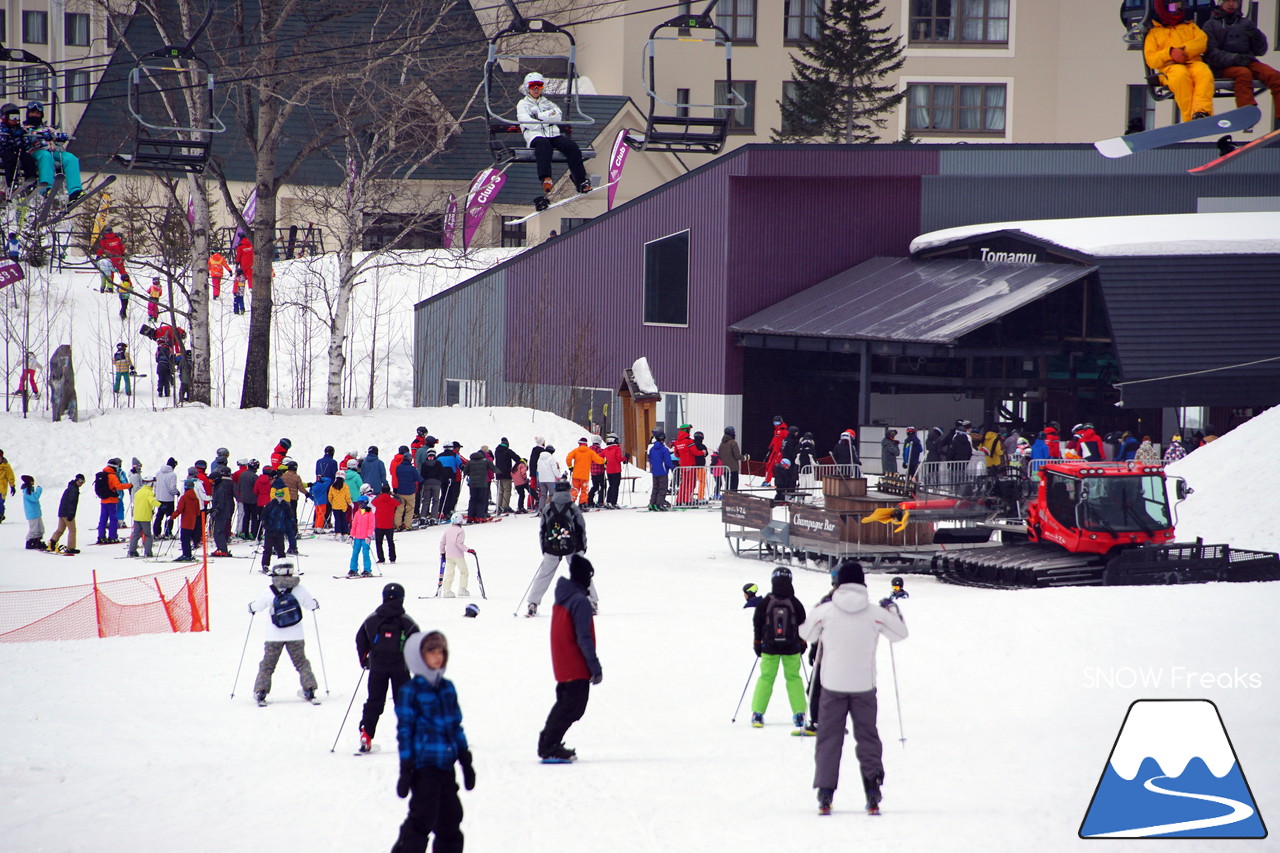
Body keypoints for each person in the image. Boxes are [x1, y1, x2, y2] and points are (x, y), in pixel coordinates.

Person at [800, 559, 908, 815]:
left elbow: (806, 634)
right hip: (863, 686)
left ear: (838, 583)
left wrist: (816, 610)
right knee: (867, 737)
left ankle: (825, 793)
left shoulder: (825, 611)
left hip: (832, 685)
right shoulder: (874, 612)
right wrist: (892, 610)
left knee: (829, 738)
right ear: (862, 582)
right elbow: (899, 634)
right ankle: (873, 789)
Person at [392, 630, 474, 853]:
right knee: (422, 818)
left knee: (451, 818)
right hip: (424, 767)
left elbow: (455, 726)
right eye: (431, 652)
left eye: (441, 651)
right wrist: (406, 768)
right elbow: (405, 732)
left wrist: (465, 760)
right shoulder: (410, 691)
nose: (438, 656)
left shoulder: (447, 688)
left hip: (446, 766)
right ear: (418, 656)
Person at [536, 554, 602, 762]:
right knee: (573, 706)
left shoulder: (564, 596)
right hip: (575, 663)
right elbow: (584, 637)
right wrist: (594, 666)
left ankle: (548, 741)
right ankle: (549, 745)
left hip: (563, 662)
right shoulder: (579, 601)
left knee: (565, 704)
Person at [355, 582, 420, 753]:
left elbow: (360, 639)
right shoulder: (407, 621)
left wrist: (364, 660)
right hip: (401, 668)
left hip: (377, 667)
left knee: (374, 701)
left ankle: (366, 736)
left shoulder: (371, 619)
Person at [249, 560, 320, 706]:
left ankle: (261, 691)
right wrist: (315, 603)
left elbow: (258, 606)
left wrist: (251, 607)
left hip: (274, 635)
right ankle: (310, 688)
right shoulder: (299, 589)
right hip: (296, 634)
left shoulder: (270, 590)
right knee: (301, 662)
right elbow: (310, 605)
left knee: (268, 664)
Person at [749, 567, 810, 733]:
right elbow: (803, 625)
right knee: (793, 678)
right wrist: (803, 643)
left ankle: (758, 713)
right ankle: (799, 713)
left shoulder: (765, 603)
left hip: (769, 647)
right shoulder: (795, 603)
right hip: (791, 648)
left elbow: (757, 623)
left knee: (766, 678)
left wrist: (757, 642)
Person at [527, 480, 597, 616]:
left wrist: (544, 548)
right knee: (582, 574)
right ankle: (591, 601)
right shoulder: (573, 507)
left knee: (544, 575)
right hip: (573, 546)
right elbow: (581, 528)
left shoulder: (548, 508)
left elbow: (542, 530)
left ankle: (533, 603)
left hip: (552, 546)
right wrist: (583, 546)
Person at [516, 71, 591, 197]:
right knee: (544, 146)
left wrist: (539, 116)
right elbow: (528, 122)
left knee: (571, 146)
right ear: (527, 87)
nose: (535, 89)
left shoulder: (547, 103)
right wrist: (548, 120)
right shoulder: (523, 104)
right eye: (532, 85)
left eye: (538, 86)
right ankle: (546, 178)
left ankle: (580, 180)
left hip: (553, 135)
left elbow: (558, 115)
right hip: (535, 136)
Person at [1204, 0, 1280, 116]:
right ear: (1221, 3)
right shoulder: (1211, 25)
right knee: (1243, 74)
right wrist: (1235, 59)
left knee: (1274, 76)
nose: (1231, 4)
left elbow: (1260, 51)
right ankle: (1247, 113)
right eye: (1227, 1)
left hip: (1247, 61)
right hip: (1222, 66)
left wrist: (1257, 36)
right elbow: (1211, 54)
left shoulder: (1245, 24)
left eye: (1234, 1)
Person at [1145, 0, 1215, 123]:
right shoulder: (1154, 33)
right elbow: (1151, 59)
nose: (1177, 9)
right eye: (1173, 7)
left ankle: (1201, 111)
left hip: (1192, 62)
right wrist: (1169, 53)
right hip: (1169, 68)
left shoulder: (1190, 27)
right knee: (1180, 76)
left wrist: (1184, 52)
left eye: (1179, 6)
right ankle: (1189, 119)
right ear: (1163, 8)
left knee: (1204, 73)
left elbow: (1201, 42)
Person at [23, 101, 84, 202]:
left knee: (70, 158)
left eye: (37, 113)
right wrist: (40, 137)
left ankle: (75, 191)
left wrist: (60, 138)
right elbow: (27, 140)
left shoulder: (47, 128)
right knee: (46, 156)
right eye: (32, 113)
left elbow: (56, 138)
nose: (35, 115)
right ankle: (46, 188)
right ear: (28, 114)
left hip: (52, 150)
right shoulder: (25, 128)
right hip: (35, 151)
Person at [0, 104, 36, 193]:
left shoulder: (20, 130)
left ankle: (30, 182)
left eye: (17, 117)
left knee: (28, 159)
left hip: (19, 151)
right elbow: (2, 142)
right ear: (5, 117)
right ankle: (12, 183)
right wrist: (10, 137)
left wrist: (24, 140)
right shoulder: (2, 129)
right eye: (12, 117)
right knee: (11, 159)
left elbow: (26, 142)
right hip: (6, 151)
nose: (15, 119)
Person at [259, 481, 294, 572]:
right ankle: (265, 565)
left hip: (280, 531)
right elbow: (264, 515)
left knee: (281, 549)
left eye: (281, 496)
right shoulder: (270, 505)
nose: (280, 498)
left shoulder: (285, 505)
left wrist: (292, 523)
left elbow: (289, 516)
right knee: (268, 549)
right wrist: (264, 522)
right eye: (278, 496)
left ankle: (282, 565)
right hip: (270, 530)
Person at [96, 457, 131, 544]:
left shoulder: (102, 475)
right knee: (113, 519)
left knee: (103, 519)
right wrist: (129, 485)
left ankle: (101, 537)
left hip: (103, 500)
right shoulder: (112, 476)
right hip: (112, 500)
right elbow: (119, 486)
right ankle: (112, 537)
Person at [47, 474, 84, 554]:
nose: (81, 483)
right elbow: (71, 502)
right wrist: (71, 513)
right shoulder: (74, 489)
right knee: (72, 530)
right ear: (76, 480)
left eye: (83, 482)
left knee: (60, 529)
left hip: (62, 512)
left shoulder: (70, 487)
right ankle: (71, 547)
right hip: (67, 513)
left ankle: (51, 544)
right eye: (80, 481)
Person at [565, 437, 604, 507]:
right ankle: (582, 504)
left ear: (579, 444)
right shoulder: (590, 452)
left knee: (574, 489)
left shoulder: (575, 451)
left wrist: (570, 467)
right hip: (585, 476)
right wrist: (604, 461)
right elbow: (598, 459)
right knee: (584, 491)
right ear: (586, 444)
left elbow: (568, 458)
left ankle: (571, 503)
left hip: (576, 475)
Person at [126, 474, 159, 558]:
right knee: (148, 535)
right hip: (145, 517)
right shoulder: (149, 492)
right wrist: (161, 505)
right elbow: (152, 501)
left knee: (136, 534)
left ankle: (132, 551)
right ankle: (148, 552)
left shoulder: (138, 492)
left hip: (137, 516)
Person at [438, 512, 470, 597]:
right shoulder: (460, 531)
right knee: (464, 571)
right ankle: (462, 589)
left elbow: (442, 543)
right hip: (458, 555)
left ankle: (447, 591)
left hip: (448, 555)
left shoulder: (448, 530)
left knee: (449, 572)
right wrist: (468, 550)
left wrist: (442, 552)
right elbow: (459, 544)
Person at [170, 477, 202, 561]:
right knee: (188, 538)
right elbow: (198, 512)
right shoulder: (196, 498)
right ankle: (189, 554)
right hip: (193, 521)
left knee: (184, 539)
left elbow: (180, 509)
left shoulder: (184, 497)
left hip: (185, 521)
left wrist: (172, 516)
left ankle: (186, 555)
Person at [209, 466, 236, 557]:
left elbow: (221, 502)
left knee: (218, 531)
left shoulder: (221, 488)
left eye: (212, 481)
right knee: (217, 531)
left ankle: (223, 549)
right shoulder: (217, 486)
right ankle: (220, 548)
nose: (211, 483)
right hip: (221, 512)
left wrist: (216, 510)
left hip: (223, 513)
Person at [347, 494, 376, 577]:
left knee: (365, 553)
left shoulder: (370, 514)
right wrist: (351, 535)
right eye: (359, 503)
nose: (360, 505)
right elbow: (354, 525)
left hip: (365, 538)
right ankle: (353, 569)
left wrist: (369, 536)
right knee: (355, 553)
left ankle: (367, 570)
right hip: (357, 538)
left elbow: (371, 526)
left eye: (362, 503)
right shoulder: (357, 513)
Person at [463, 449, 494, 521]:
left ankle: (471, 516)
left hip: (473, 484)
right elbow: (490, 470)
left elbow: (465, 471)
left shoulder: (470, 462)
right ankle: (480, 515)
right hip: (483, 483)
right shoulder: (485, 462)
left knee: (473, 499)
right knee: (481, 499)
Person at [646, 431, 674, 511]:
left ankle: (652, 504)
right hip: (663, 471)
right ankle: (659, 504)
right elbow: (667, 461)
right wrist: (672, 467)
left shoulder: (652, 449)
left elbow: (650, 459)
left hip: (655, 471)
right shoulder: (664, 449)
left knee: (655, 488)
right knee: (662, 488)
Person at [493, 437, 520, 514]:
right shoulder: (508, 451)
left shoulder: (497, 451)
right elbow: (517, 458)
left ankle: (499, 506)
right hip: (506, 474)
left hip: (498, 474)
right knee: (507, 490)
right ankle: (505, 507)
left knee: (500, 491)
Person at [599, 433, 626, 509]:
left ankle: (608, 501)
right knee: (615, 486)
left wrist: (604, 462)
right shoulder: (617, 449)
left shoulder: (606, 449)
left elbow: (599, 456)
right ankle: (613, 502)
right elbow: (619, 459)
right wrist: (625, 458)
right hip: (616, 470)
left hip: (609, 470)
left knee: (611, 486)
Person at [534, 443, 561, 513]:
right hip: (550, 480)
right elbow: (554, 470)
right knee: (552, 494)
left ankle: (541, 509)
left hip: (542, 480)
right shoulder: (551, 458)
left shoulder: (540, 458)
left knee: (543, 495)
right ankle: (552, 509)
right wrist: (559, 476)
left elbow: (538, 469)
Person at [20, 475, 43, 549]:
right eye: (32, 481)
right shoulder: (27, 491)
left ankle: (37, 540)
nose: (34, 482)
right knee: (34, 529)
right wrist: (39, 490)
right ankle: (29, 541)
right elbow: (35, 498)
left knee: (40, 528)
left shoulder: (30, 490)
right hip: (32, 513)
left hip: (36, 512)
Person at [0, 449, 12, 522]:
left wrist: (12, 486)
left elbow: (10, 476)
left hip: (2, 488)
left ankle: (0, 515)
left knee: (0, 502)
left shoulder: (6, 466)